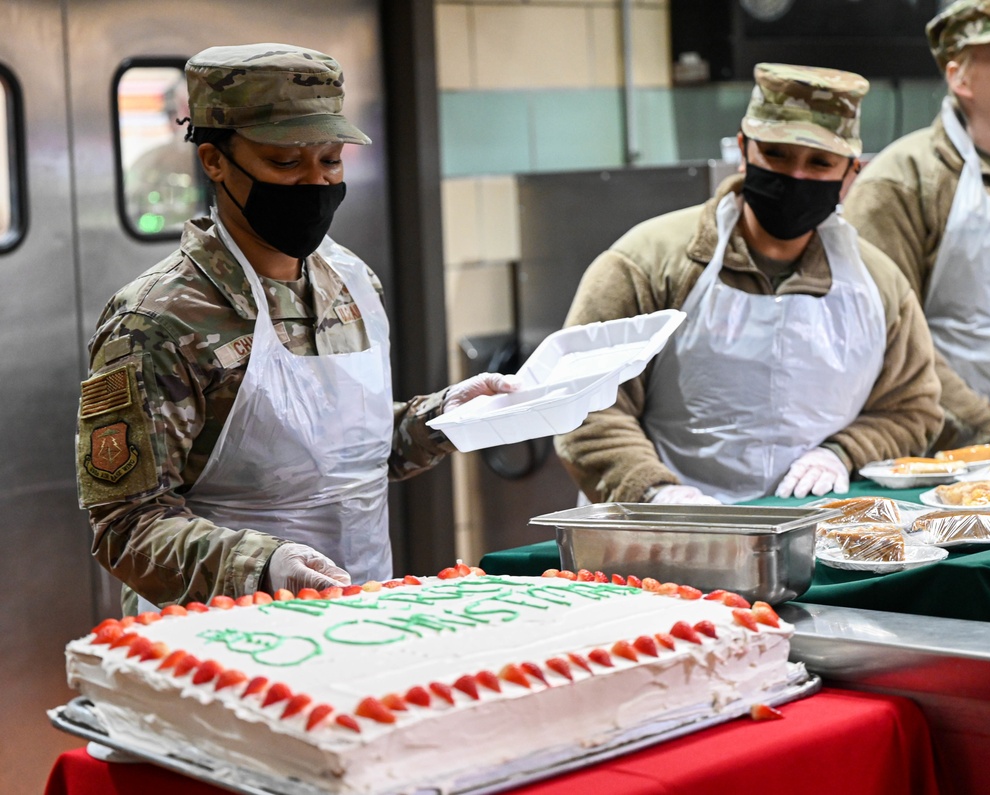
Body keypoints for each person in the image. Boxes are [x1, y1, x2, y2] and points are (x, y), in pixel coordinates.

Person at [76, 43, 517, 614]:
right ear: (214, 161)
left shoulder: (352, 285)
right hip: (220, 636)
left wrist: (443, 417)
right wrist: (261, 567)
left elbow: (339, 455)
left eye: (330, 161)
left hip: (359, 612)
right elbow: (126, 525)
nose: (314, 182)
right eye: (285, 163)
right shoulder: (158, 321)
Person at [554, 63, 943, 506]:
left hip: (813, 535)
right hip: (657, 539)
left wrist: (842, 452)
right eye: (776, 154)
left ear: (850, 174)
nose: (796, 176)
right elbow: (582, 404)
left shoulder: (878, 285)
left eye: (820, 163)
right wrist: (656, 492)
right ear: (744, 151)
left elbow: (912, 409)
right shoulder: (648, 261)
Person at [843, 0, 990, 451]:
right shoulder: (902, 183)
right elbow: (889, 342)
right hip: (945, 452)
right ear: (959, 78)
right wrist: (987, 426)